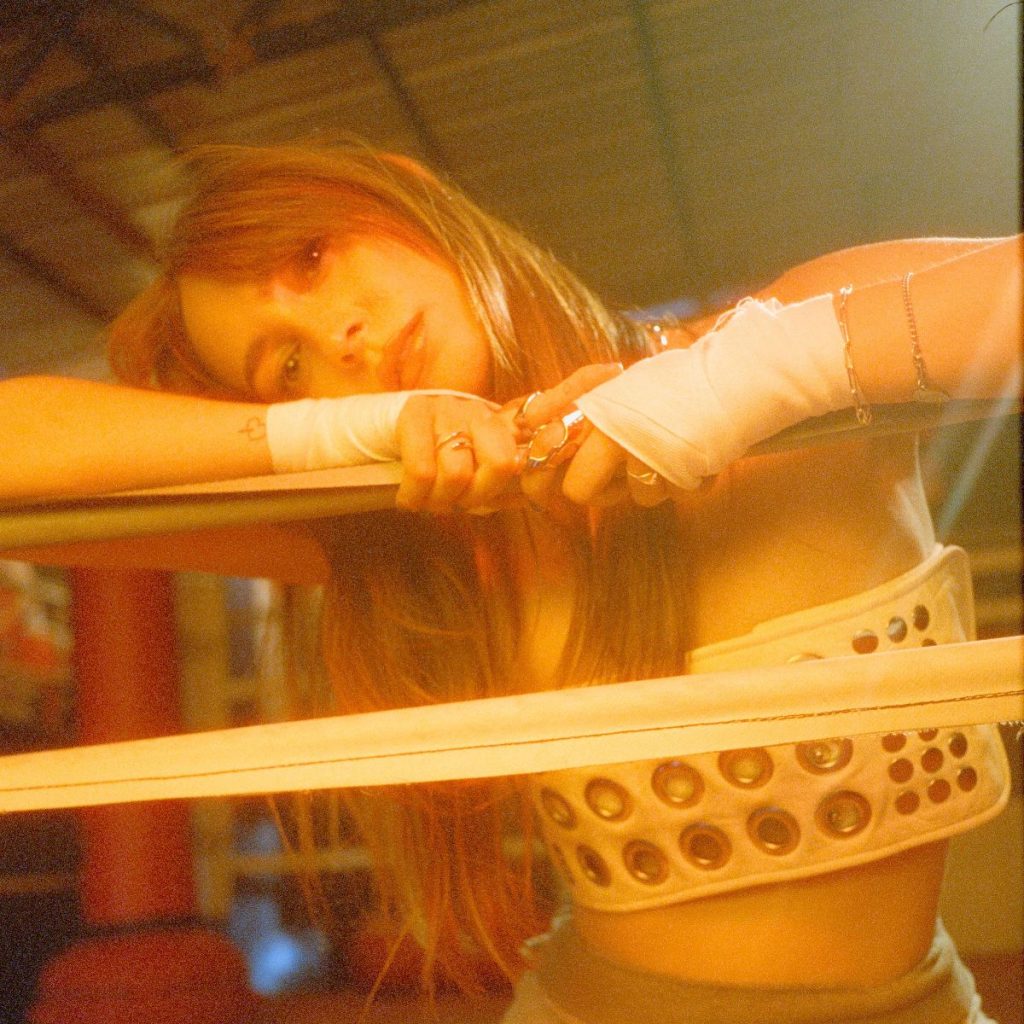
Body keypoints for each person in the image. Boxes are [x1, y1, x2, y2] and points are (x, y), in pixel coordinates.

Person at [1, 144, 1020, 1023]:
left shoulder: (777, 331)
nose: (339, 336)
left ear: (402, 192)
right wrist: (338, 434)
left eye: (311, 257)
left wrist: (759, 374)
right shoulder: (397, 531)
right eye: (288, 368)